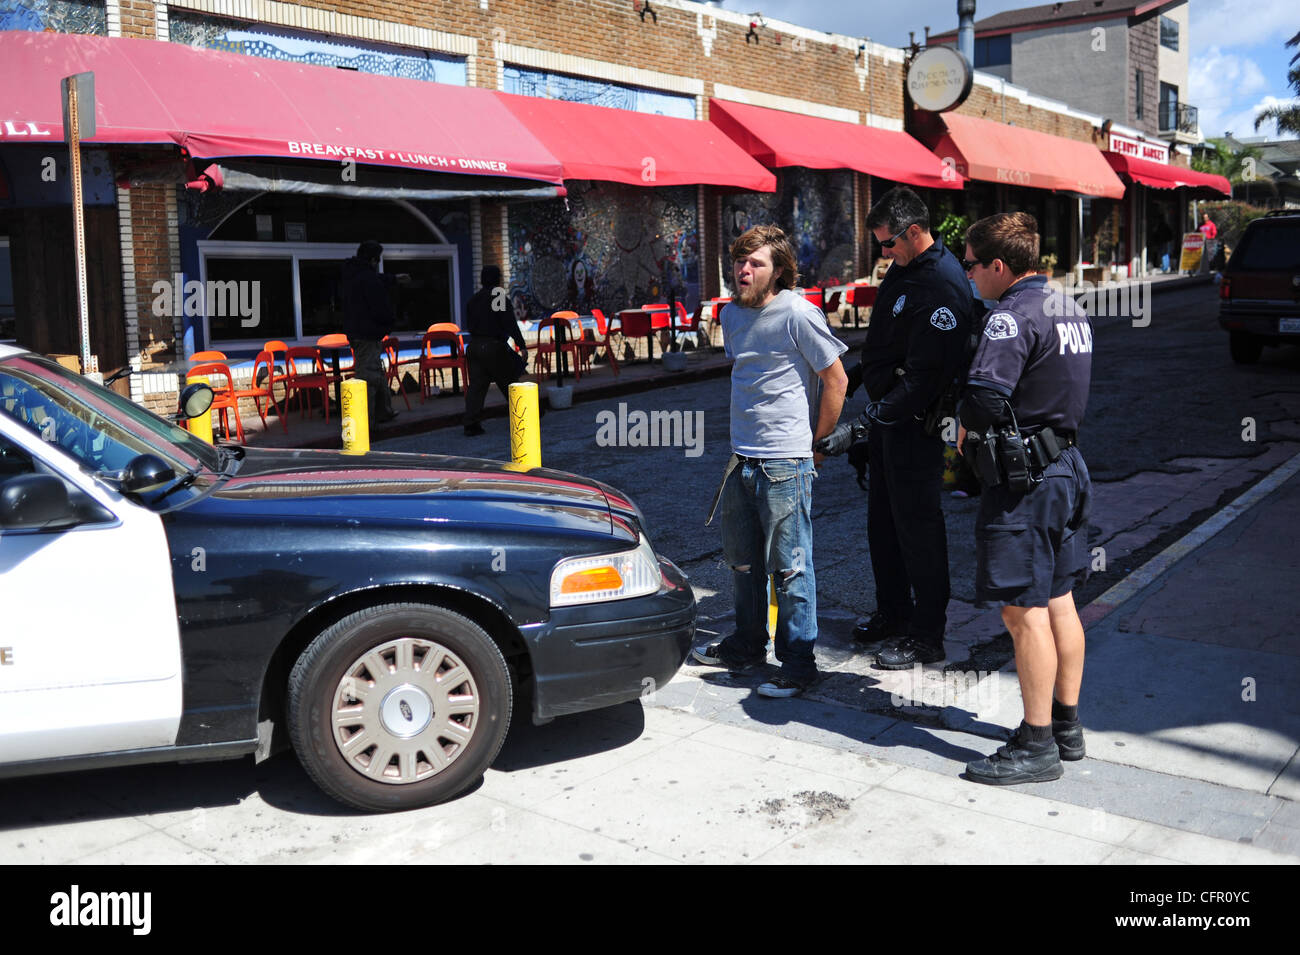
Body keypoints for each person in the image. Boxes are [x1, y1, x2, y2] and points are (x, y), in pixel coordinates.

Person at [957, 211, 1093, 785]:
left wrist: (958, 432)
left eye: (970, 265)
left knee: (1022, 611)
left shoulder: (1009, 317)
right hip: (1066, 466)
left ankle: (1035, 745)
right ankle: (1065, 727)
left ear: (997, 265)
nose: (967, 276)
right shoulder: (1069, 306)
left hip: (1025, 485)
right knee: (1059, 598)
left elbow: (985, 400)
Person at [816, 187, 973, 669]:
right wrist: (858, 377)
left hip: (916, 426)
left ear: (913, 231)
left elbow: (925, 380)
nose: (884, 254)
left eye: (888, 244)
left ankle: (927, 634)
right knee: (882, 526)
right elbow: (885, 346)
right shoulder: (904, 270)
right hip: (888, 419)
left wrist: (855, 429)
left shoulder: (944, 284)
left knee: (918, 531)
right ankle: (893, 612)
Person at [692, 224, 848, 698]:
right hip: (742, 459)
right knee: (741, 563)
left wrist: (816, 444)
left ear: (778, 270)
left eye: (755, 263)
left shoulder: (799, 314)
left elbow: (836, 380)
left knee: (791, 567)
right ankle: (747, 644)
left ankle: (799, 663)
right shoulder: (730, 316)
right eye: (740, 261)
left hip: (786, 463)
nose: (743, 270)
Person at [463, 265, 528, 437]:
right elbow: (509, 324)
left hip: (474, 347)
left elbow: (470, 325)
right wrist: (521, 345)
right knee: (510, 381)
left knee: (476, 386)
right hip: (492, 346)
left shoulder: (473, 299)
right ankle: (527, 414)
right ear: (497, 279)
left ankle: (471, 423)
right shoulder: (497, 297)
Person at [341, 240, 398, 425]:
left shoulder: (352, 276)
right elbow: (380, 307)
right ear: (373, 259)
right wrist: (390, 322)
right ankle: (365, 423)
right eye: (378, 260)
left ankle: (384, 411)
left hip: (356, 332)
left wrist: (394, 278)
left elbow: (377, 279)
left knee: (376, 372)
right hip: (367, 333)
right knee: (368, 377)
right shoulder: (367, 279)